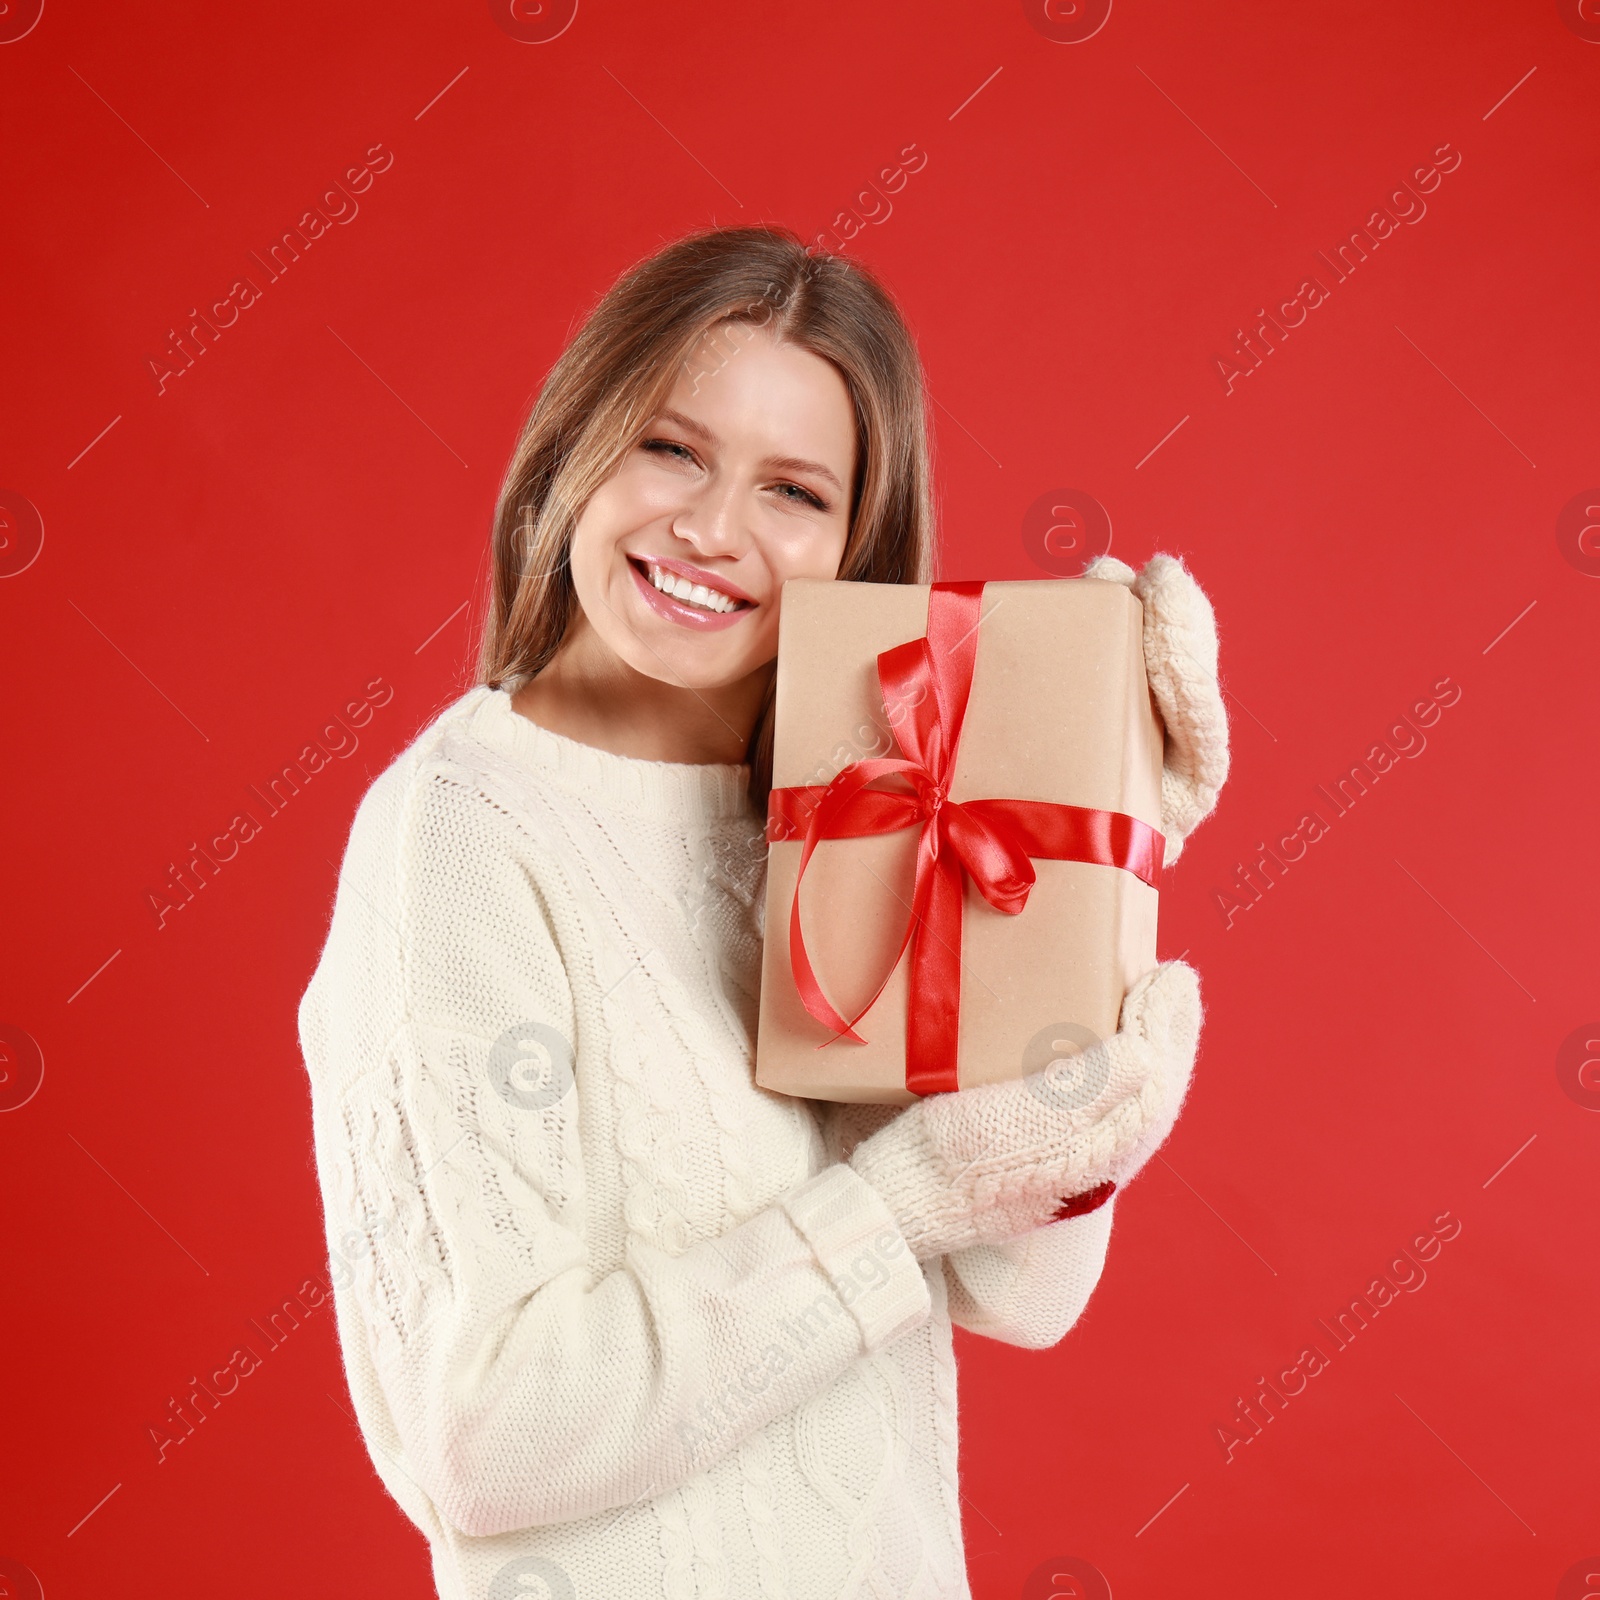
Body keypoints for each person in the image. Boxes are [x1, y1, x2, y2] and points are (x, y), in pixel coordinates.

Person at [297, 224, 1229, 1600]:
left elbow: (1026, 1293)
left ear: (858, 542)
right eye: (669, 447)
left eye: (793, 490)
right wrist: (898, 1205)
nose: (712, 529)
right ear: (572, 449)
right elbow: (486, 1435)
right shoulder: (460, 835)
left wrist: (1111, 851)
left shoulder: (862, 801)